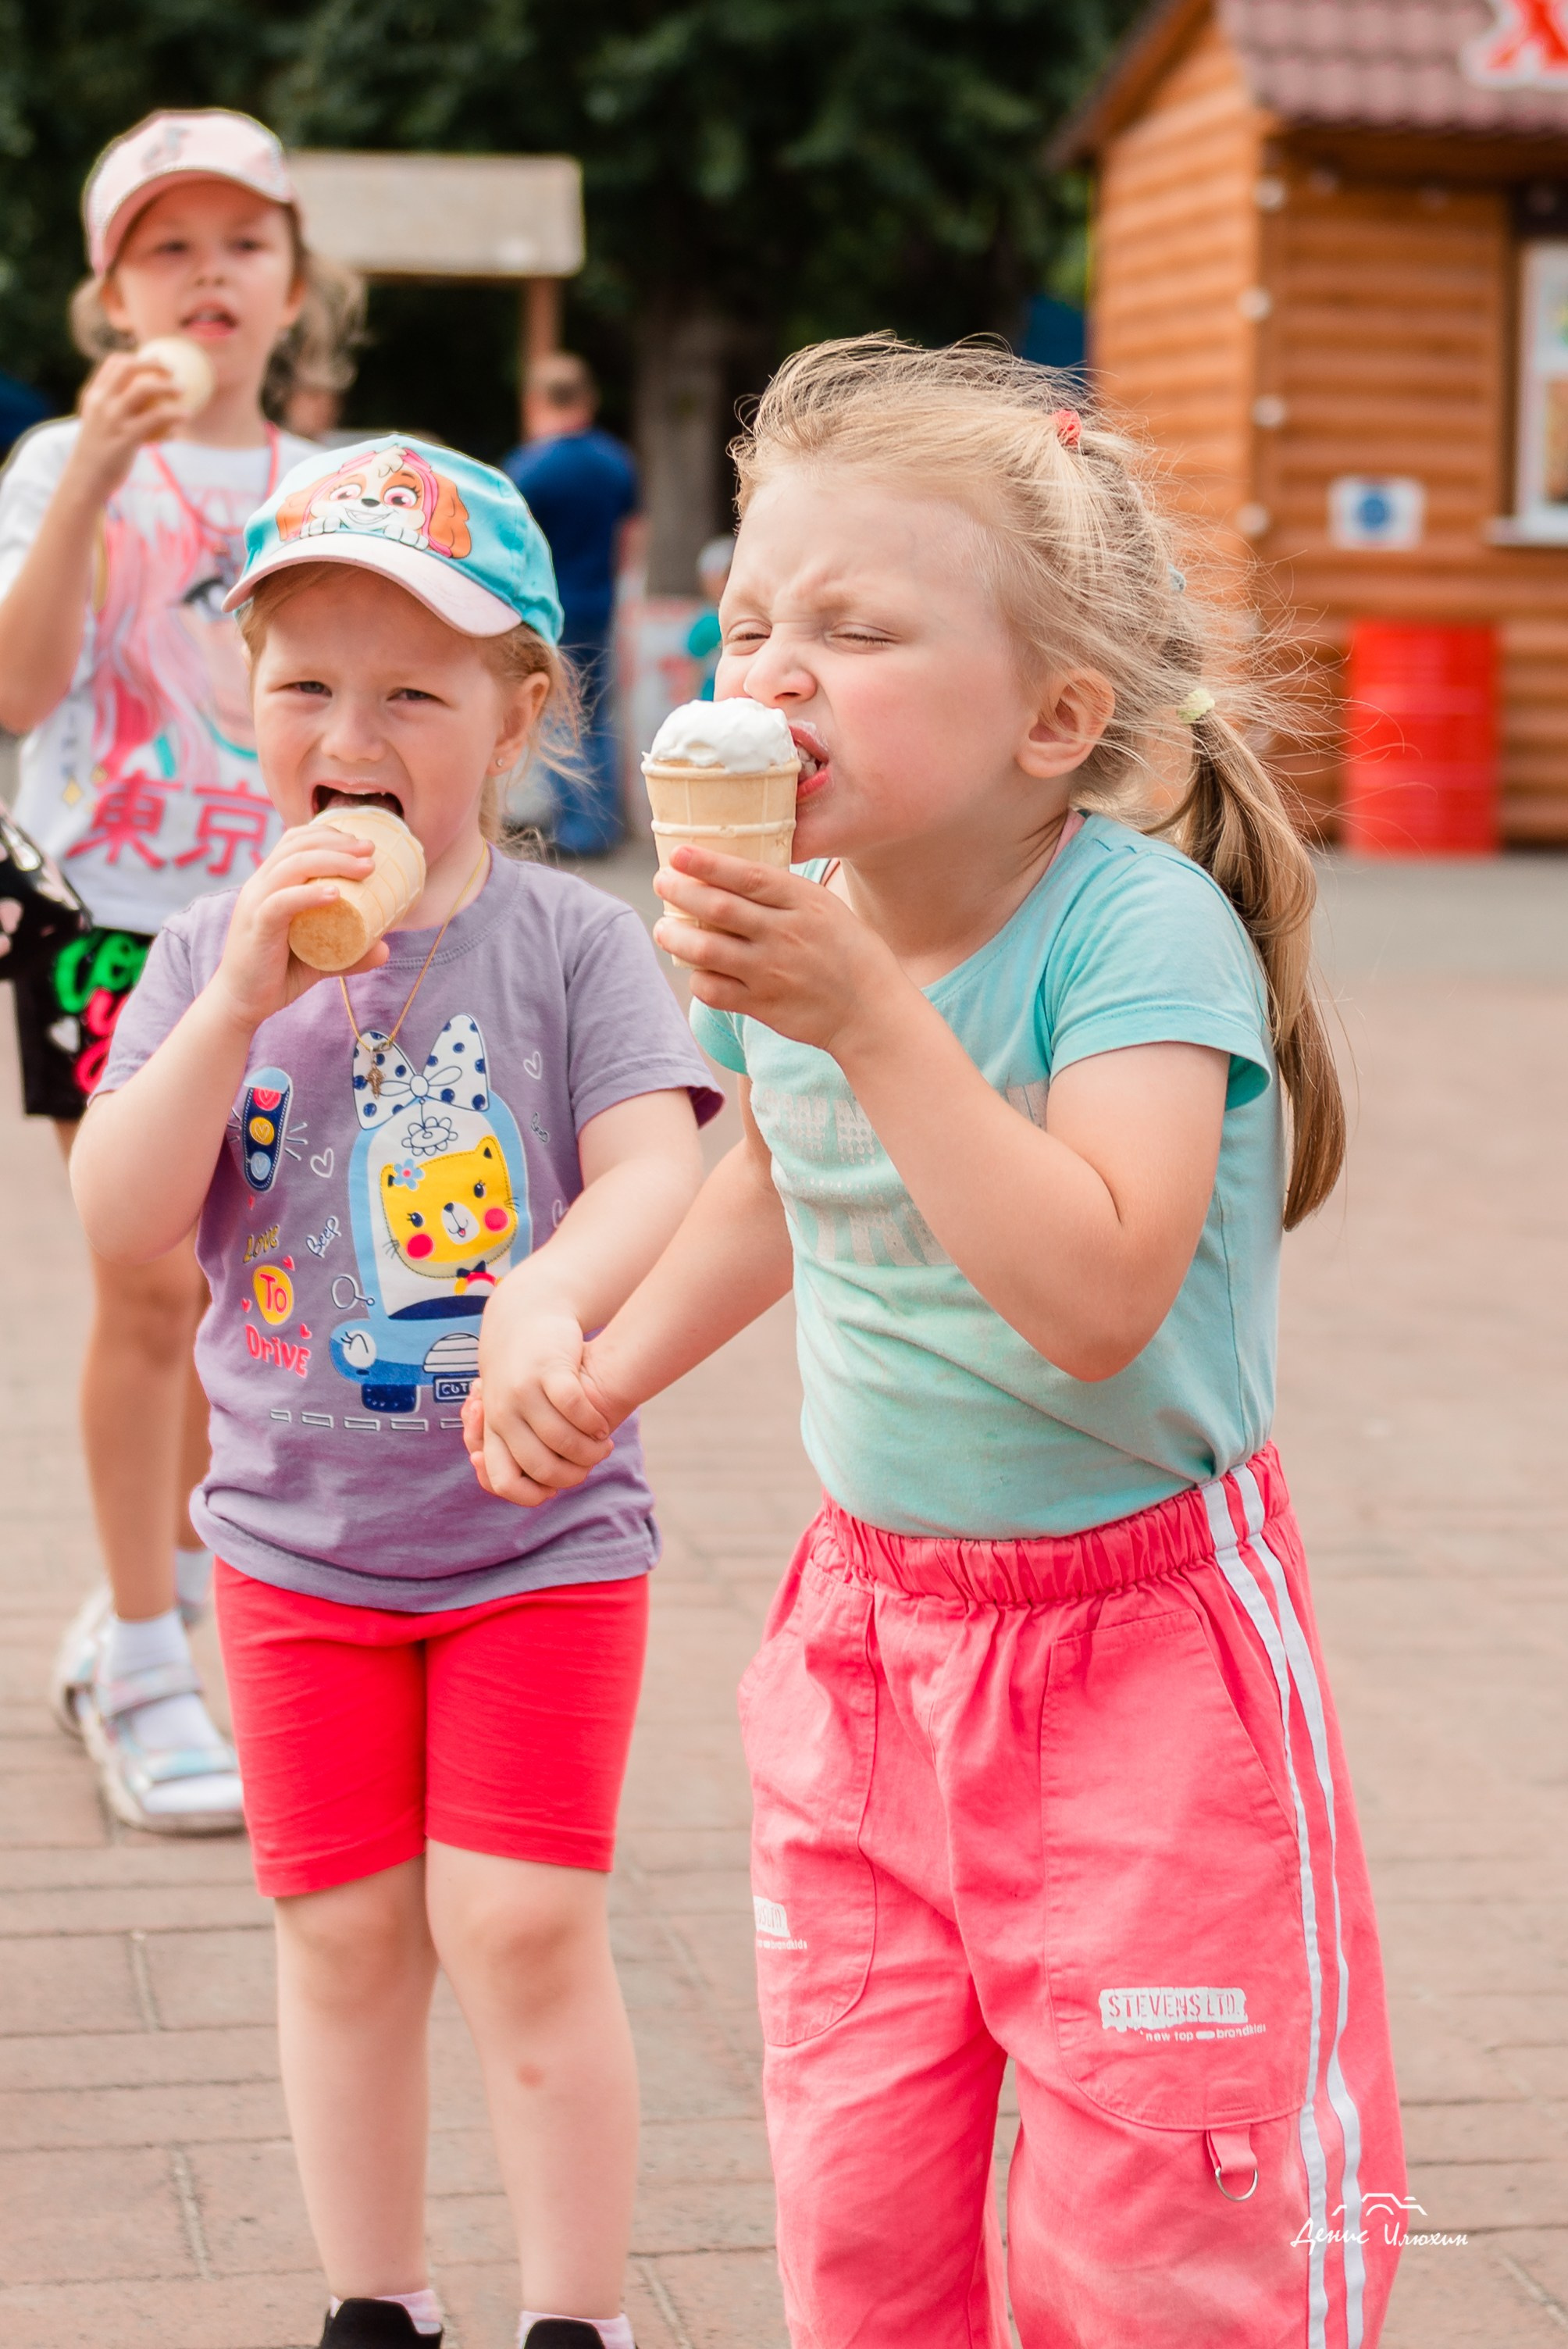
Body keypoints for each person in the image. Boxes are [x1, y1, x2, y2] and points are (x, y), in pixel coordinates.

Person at [467, 337, 1406, 2349]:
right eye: (748, 616)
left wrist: (867, 1016)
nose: (771, 663)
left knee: (1155, 2230)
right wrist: (599, 1366)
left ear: (1052, 715)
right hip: (865, 1647)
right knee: (856, 2194)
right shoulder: (796, 904)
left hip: (1141, 1665)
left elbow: (1092, 1294)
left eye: (855, 625)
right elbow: (773, 1184)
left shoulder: (1132, 931)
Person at [71, 434, 721, 2349]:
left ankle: (573, 2312)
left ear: (518, 716)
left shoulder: (576, 943)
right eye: (305, 687)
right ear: (240, 705)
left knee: (516, 1923)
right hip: (289, 1542)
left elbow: (658, 1173)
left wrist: (552, 1294)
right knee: (344, 1932)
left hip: (535, 1527)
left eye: (412, 690)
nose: (349, 732)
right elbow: (124, 1228)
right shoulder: (204, 952)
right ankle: (378, 2296)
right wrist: (230, 1004)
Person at [0, 109, 340, 1834]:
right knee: (149, 1289)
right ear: (108, 290)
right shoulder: (61, 460)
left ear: (295, 284)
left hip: (281, 935)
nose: (208, 275)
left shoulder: (330, 491)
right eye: (167, 246)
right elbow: (13, 687)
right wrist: (93, 482)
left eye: (240, 244)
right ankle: (143, 1656)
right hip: (104, 930)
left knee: (245, 1306)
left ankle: (156, 1610)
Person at [504, 355, 638, 856]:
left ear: (538, 402)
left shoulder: (530, 467)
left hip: (546, 611)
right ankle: (603, 826)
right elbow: (631, 538)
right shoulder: (615, 462)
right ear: (588, 399)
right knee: (599, 717)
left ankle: (575, 831)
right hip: (600, 603)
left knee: (559, 714)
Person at [686, 534, 734, 700]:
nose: (730, 582)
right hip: (711, 700)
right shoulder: (705, 625)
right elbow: (694, 669)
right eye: (725, 576)